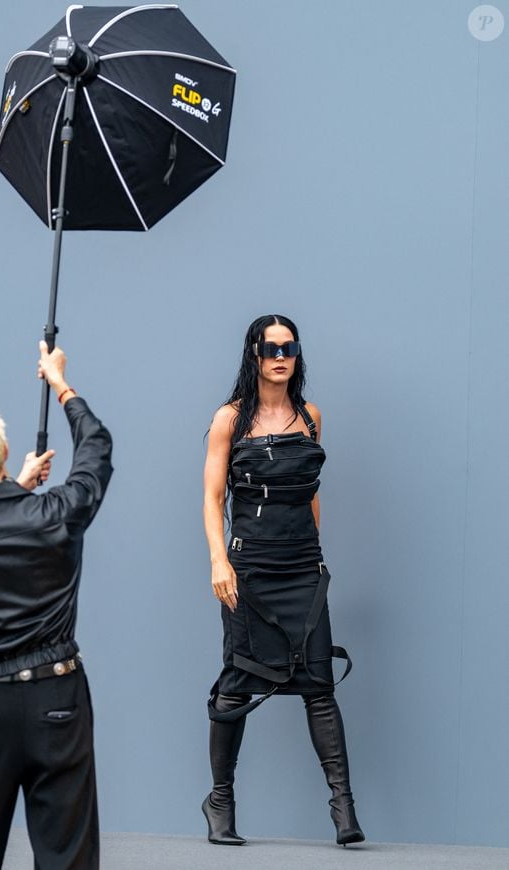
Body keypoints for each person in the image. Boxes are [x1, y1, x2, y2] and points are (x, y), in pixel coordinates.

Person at [0, 341, 113, 870]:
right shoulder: (56, 514)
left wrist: (13, 492)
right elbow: (95, 448)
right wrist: (60, 382)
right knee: (67, 856)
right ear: (5, 453)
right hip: (59, 696)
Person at [202, 314, 365, 847]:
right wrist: (218, 562)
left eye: (288, 347)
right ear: (253, 353)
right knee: (236, 686)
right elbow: (212, 498)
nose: (280, 355)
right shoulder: (230, 418)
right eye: (270, 347)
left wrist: (316, 557)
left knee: (319, 687)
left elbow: (309, 491)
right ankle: (220, 800)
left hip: (302, 568)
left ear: (297, 355)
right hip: (249, 568)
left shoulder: (311, 417)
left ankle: (343, 809)